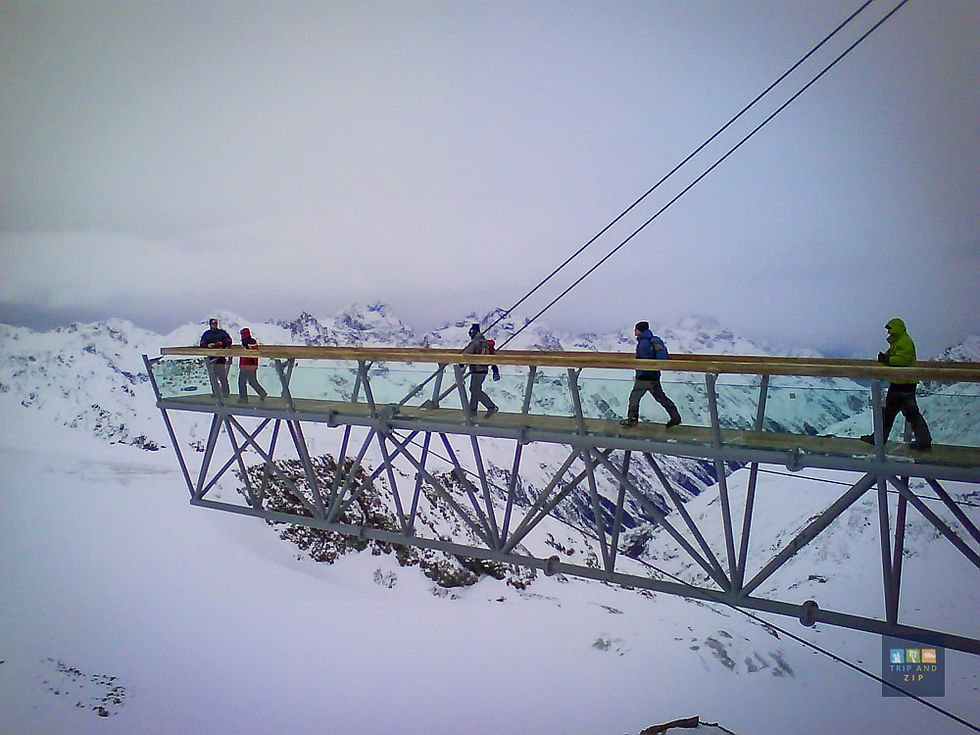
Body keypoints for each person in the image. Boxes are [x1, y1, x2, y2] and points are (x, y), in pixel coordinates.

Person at [860, 317, 931, 450]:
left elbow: (901, 360)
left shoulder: (904, 342)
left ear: (896, 328)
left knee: (894, 413)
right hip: (903, 382)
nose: (888, 333)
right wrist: (886, 358)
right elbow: (895, 357)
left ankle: (879, 439)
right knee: (907, 413)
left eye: (890, 329)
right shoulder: (899, 342)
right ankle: (923, 440)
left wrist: (886, 359)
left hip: (903, 383)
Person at [620, 321, 682, 429]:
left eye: (635, 329)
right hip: (653, 375)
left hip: (644, 376)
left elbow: (642, 359)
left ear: (639, 330)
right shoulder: (652, 340)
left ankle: (632, 420)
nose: (634, 331)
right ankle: (675, 417)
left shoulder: (643, 343)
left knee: (634, 398)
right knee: (661, 397)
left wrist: (641, 370)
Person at [462, 323, 498, 419]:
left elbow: (465, 354)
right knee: (475, 388)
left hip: (476, 369)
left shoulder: (475, 342)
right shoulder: (485, 342)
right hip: (484, 369)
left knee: (474, 389)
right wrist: (495, 370)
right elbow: (493, 356)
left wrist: (460, 363)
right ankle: (472, 410)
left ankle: (491, 407)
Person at [199, 317, 232, 396]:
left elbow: (229, 341)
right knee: (213, 377)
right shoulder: (206, 334)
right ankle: (216, 393)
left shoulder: (222, 333)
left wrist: (221, 344)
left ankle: (225, 392)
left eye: (215, 323)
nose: (214, 325)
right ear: (210, 324)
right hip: (210, 358)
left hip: (220, 358)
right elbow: (202, 344)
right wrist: (208, 345)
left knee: (222, 376)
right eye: (213, 323)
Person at [237, 327, 268, 403]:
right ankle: (262, 393)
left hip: (246, 365)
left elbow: (248, 352)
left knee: (241, 382)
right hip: (252, 365)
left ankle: (243, 398)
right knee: (252, 381)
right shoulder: (253, 341)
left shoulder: (246, 343)